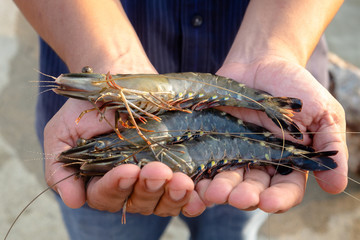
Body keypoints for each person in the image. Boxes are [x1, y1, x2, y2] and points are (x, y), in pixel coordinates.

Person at [14, 0, 347, 239]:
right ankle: (290, 153)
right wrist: (104, 55)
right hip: (88, 38)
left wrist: (277, 46)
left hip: (251, 120)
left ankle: (289, 151)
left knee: (235, 221)